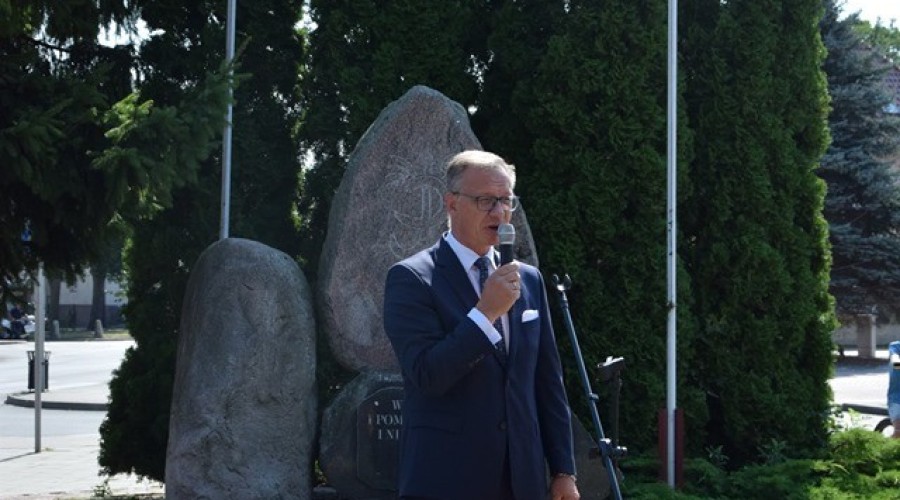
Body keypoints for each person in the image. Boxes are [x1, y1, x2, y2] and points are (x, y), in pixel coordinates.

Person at [383, 150, 580, 500]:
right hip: (448, 478)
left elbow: (547, 381)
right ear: (451, 204)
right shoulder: (412, 278)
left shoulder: (529, 280)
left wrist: (564, 469)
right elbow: (428, 374)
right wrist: (485, 313)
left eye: (506, 200)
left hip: (523, 480)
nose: (499, 212)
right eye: (486, 200)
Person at [889, 341, 900, 438]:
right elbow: (895, 361)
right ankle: (881, 451)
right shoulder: (896, 346)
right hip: (897, 398)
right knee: (899, 431)